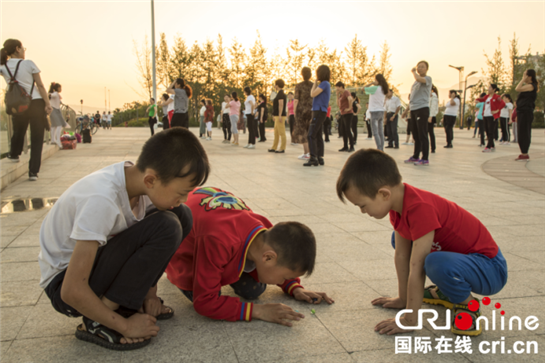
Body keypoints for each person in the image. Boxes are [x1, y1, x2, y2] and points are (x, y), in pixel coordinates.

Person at [39, 128, 210, 350]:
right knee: (167, 225)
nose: (183, 199)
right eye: (181, 192)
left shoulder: (139, 182)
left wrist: (150, 294)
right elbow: (71, 291)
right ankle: (98, 320)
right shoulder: (102, 199)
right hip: (66, 285)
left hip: (96, 270)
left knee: (182, 215)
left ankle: (128, 302)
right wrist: (125, 327)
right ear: (151, 179)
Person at [336, 149, 507, 337]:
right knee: (404, 243)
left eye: (362, 205)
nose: (362, 211)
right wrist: (403, 299)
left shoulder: (420, 208)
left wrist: (410, 319)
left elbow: (417, 268)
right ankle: (447, 290)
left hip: (490, 269)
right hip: (464, 263)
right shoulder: (398, 204)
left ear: (384, 194)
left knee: (433, 262)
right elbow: (401, 256)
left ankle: (467, 304)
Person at [165, 187, 334, 325]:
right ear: (268, 257)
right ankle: (175, 270)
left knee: (254, 290)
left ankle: (222, 270)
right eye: (285, 277)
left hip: (209, 216)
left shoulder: (266, 230)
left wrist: (295, 288)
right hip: (184, 252)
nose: (282, 282)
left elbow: (283, 257)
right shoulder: (219, 240)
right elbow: (204, 303)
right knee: (201, 294)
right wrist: (258, 311)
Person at [1, 39, 53, 181]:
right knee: (37, 137)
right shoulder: (28, 63)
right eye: (23, 48)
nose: (24, 50)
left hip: (18, 104)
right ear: (17, 49)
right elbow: (40, 86)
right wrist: (47, 104)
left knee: (19, 130)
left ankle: (13, 154)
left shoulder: (3, 66)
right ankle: (33, 172)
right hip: (35, 102)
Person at [404, 61, 432, 166]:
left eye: (422, 67)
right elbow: (412, 98)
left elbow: (419, 78)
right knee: (415, 134)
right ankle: (415, 156)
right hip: (414, 109)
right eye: (418, 67)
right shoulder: (415, 83)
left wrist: (413, 72)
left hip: (422, 109)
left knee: (422, 134)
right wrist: (407, 111)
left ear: (426, 69)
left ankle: (425, 158)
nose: (419, 68)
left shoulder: (427, 79)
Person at [304, 64, 331, 167]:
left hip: (319, 111)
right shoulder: (325, 84)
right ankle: (319, 157)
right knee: (318, 134)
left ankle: (313, 158)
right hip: (320, 111)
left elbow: (312, 94)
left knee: (311, 134)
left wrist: (315, 82)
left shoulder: (324, 84)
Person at [514, 69, 538, 161]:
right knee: (521, 132)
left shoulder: (531, 86)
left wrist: (523, 80)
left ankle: (525, 153)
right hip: (521, 112)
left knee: (524, 132)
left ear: (529, 76)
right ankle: (523, 152)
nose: (523, 76)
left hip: (526, 112)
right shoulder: (528, 86)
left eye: (525, 75)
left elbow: (517, 88)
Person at [476, 84, 505, 153]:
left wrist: (497, 110)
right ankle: (492, 144)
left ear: (494, 89)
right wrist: (477, 100)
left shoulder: (497, 97)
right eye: (488, 87)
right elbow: (481, 99)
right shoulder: (486, 97)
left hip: (492, 116)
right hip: (485, 116)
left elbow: (503, 104)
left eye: (490, 88)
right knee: (487, 131)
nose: (488, 89)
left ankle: (488, 147)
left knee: (491, 131)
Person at [363, 74, 388, 151]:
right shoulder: (384, 88)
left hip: (374, 111)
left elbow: (363, 88)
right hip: (381, 111)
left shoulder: (374, 88)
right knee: (381, 131)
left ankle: (379, 148)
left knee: (375, 132)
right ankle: (382, 148)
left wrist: (371, 83)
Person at [293, 67, 313, 160]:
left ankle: (306, 152)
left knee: (303, 132)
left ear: (302, 74)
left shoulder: (299, 86)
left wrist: (294, 111)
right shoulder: (313, 85)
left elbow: (296, 100)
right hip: (311, 110)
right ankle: (311, 152)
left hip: (301, 111)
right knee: (310, 131)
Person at [48, 82, 68, 149]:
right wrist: (49, 94)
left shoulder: (56, 95)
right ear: (57, 88)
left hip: (54, 110)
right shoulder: (55, 94)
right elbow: (51, 95)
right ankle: (57, 140)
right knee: (59, 125)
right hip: (55, 110)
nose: (61, 89)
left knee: (54, 126)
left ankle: (53, 140)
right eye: (60, 88)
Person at [269, 79, 287, 154]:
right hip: (277, 115)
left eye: (275, 84)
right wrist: (275, 115)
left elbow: (281, 104)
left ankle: (282, 148)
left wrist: (279, 115)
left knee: (281, 132)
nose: (274, 86)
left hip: (280, 115)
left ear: (277, 85)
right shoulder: (278, 94)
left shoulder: (281, 94)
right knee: (276, 133)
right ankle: (274, 147)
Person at [336, 82, 354, 152]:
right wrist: (337, 96)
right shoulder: (341, 95)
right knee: (343, 130)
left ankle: (352, 146)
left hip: (348, 114)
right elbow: (338, 104)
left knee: (347, 129)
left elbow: (350, 99)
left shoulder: (346, 92)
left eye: (337, 87)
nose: (336, 88)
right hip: (343, 113)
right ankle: (345, 146)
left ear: (341, 87)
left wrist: (349, 108)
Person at [428, 85, 439, 153]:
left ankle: (433, 148)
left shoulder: (434, 96)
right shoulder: (429, 96)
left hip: (430, 116)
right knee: (424, 132)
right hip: (426, 115)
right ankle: (422, 147)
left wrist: (431, 116)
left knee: (430, 132)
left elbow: (433, 107)